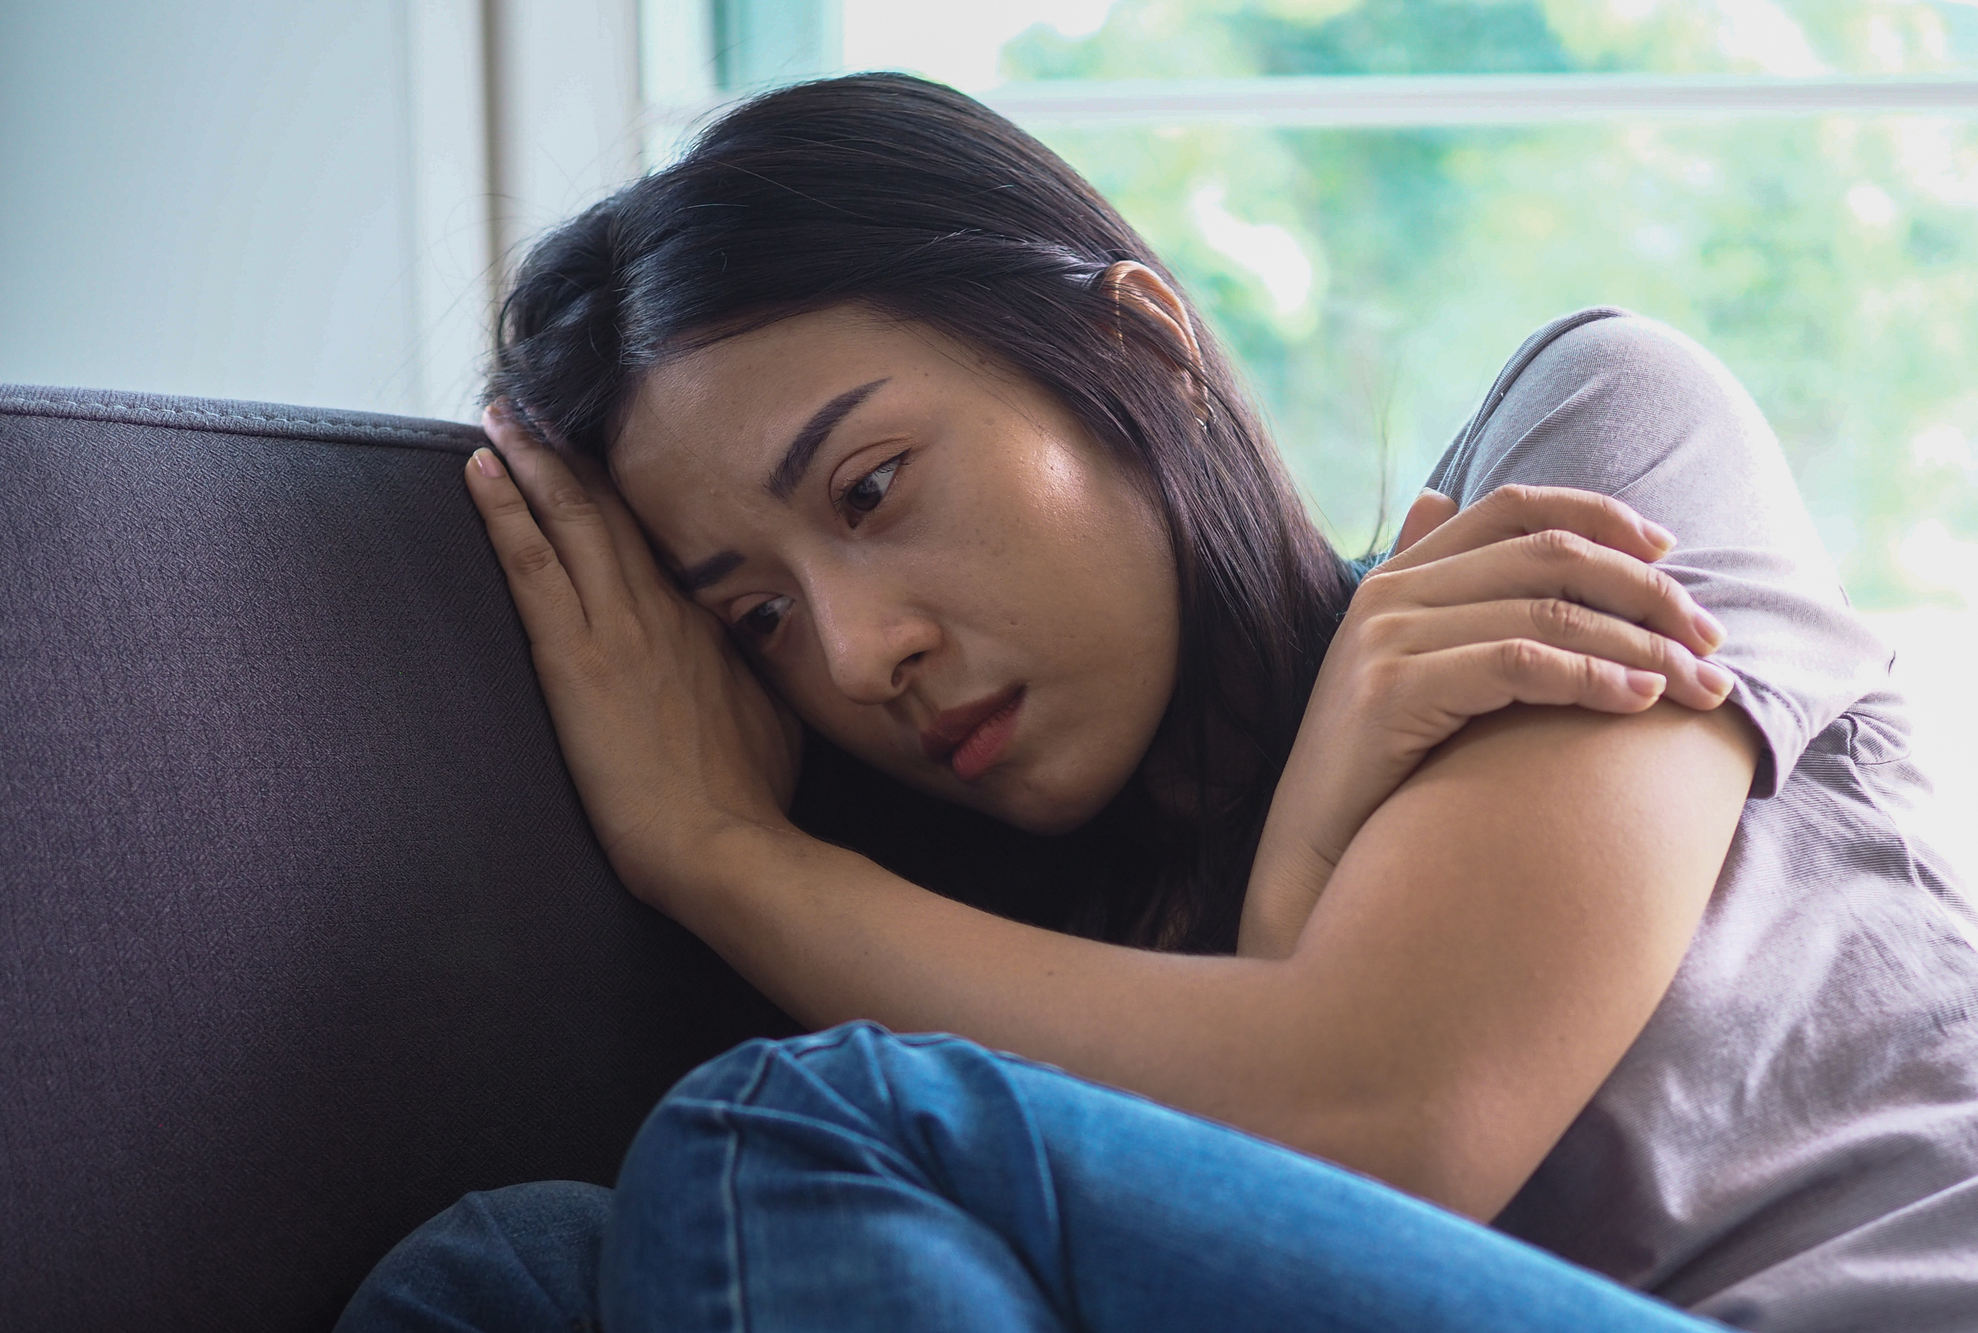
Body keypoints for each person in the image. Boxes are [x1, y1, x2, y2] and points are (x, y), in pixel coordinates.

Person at [338, 74, 1976, 1332]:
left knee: (790, 1124)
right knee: (517, 1274)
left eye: (873, 486)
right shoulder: (1056, 980)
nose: (852, 655)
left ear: (1142, 355)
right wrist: (1278, 918)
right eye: (756, 618)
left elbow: (1397, 1113)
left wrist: (724, 852)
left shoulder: (1579, 468)